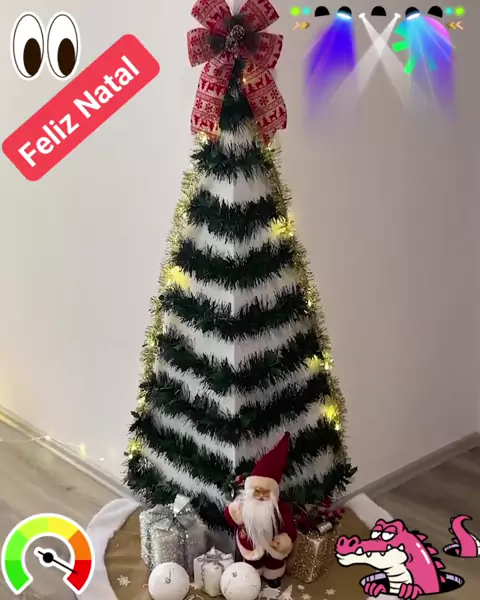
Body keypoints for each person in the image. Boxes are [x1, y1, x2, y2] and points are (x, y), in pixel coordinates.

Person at [224, 433, 297, 588]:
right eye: (257, 491)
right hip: (251, 547)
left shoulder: (280, 509)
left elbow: (290, 529)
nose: (262, 496)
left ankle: (273, 576)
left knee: (274, 562)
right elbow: (229, 517)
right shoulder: (244, 505)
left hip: (273, 546)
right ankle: (251, 575)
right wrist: (233, 512)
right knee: (252, 563)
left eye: (266, 493)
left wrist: (284, 539)